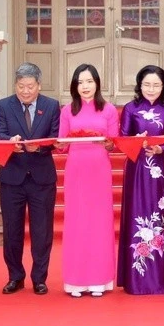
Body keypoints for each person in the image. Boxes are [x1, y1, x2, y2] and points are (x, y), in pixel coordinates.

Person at [0, 62, 60, 296]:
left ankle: (39, 278)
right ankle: (15, 276)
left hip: (42, 178)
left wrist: (39, 148)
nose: (25, 91)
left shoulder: (51, 106)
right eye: (21, 86)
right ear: (15, 85)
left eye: (30, 86)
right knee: (12, 231)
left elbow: (55, 136)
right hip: (12, 176)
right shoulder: (4, 105)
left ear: (39, 85)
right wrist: (9, 140)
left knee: (42, 232)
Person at [117, 65, 164, 295]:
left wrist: (161, 149)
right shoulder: (130, 109)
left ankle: (163, 280)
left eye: (156, 85)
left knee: (162, 218)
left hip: (161, 171)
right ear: (139, 85)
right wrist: (137, 140)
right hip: (136, 168)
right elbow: (122, 139)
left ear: (163, 86)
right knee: (137, 214)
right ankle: (137, 279)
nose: (151, 89)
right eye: (146, 84)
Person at [57, 64, 119, 297]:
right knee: (77, 221)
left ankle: (99, 280)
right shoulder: (67, 111)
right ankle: (76, 281)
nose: (85, 86)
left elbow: (113, 143)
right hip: (76, 170)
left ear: (97, 84)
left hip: (100, 169)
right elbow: (62, 144)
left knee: (99, 221)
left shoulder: (109, 110)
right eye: (81, 82)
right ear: (75, 85)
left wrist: (108, 143)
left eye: (89, 81)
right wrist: (57, 143)